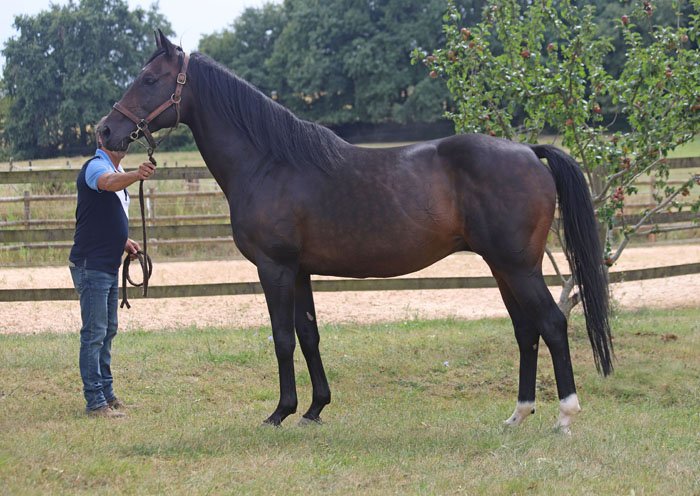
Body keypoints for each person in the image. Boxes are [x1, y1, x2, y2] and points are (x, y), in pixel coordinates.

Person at [68, 120, 155, 418]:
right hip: (92, 264)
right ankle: (95, 401)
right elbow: (106, 183)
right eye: (115, 135)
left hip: (104, 264)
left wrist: (124, 241)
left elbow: (104, 213)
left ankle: (106, 393)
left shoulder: (115, 169)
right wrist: (136, 175)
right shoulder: (95, 167)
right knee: (95, 333)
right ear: (102, 139)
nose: (123, 140)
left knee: (107, 331)